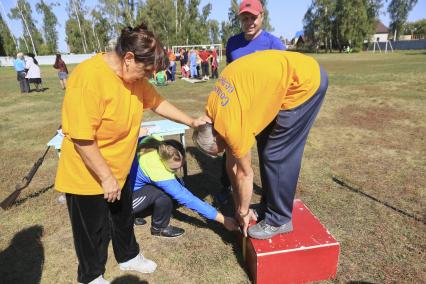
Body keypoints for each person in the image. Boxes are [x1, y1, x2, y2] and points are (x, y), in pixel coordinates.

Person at [55, 23, 206, 284]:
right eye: (145, 71)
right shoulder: (88, 78)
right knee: (91, 229)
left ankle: (128, 256)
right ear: (128, 58)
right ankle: (90, 276)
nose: (146, 78)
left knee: (122, 216)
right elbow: (81, 137)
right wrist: (105, 177)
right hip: (87, 171)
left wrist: (191, 121)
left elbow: (158, 103)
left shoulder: (134, 78)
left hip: (119, 167)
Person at [193, 50, 328, 240]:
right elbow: (231, 165)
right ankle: (269, 206)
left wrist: (242, 210)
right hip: (289, 75)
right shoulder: (213, 109)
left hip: (305, 83)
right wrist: (238, 200)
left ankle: (279, 219)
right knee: (265, 144)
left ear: (218, 136)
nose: (225, 151)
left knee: (277, 153)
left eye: (221, 149)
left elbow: (245, 174)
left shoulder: (231, 127)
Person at [217, 0, 287, 205]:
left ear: (262, 16)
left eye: (253, 18)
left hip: (266, 111)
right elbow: (230, 75)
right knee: (232, 149)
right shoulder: (232, 43)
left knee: (267, 154)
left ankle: (269, 194)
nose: (249, 22)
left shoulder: (274, 44)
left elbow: (285, 76)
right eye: (245, 18)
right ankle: (226, 187)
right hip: (239, 110)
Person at [129, 135, 238, 238]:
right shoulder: (158, 172)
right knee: (163, 193)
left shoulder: (155, 141)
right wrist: (223, 219)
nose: (177, 171)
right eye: (173, 169)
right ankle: (159, 228)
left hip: (127, 186)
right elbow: (189, 199)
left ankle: (135, 214)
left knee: (173, 187)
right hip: (122, 202)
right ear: (162, 160)